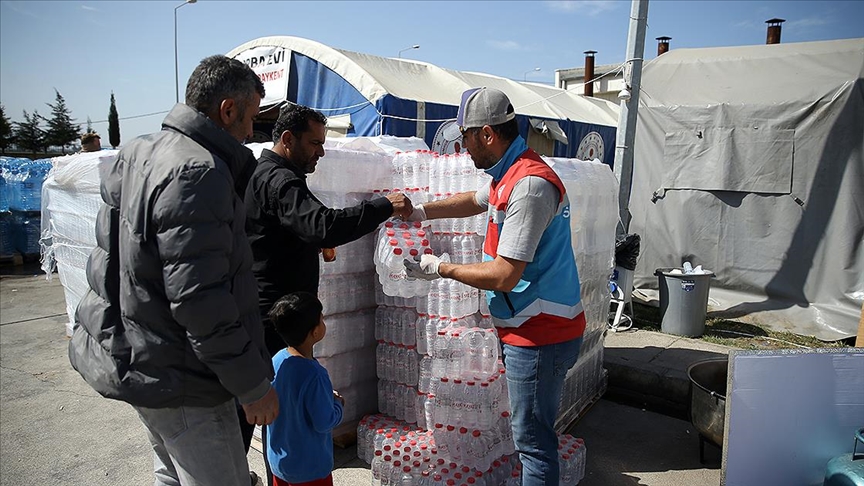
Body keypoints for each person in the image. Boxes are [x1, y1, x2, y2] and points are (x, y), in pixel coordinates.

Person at [69, 55, 278, 486]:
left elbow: (114, 261)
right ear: (227, 110)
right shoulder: (199, 171)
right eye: (251, 118)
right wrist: (252, 386)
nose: (250, 132)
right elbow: (201, 300)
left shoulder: (140, 151)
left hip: (145, 362)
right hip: (186, 379)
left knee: (170, 474)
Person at [404, 87, 585, 485]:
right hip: (525, 326)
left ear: (486, 134)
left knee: (533, 444)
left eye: (465, 136)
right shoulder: (509, 173)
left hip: (541, 334)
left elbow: (505, 274)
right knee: (531, 436)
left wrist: (441, 268)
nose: (462, 146)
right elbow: (474, 199)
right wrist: (420, 211)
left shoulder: (530, 185)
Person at [244, 103, 412, 485]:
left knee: (277, 406)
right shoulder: (280, 181)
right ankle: (296, 472)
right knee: (279, 406)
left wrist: (312, 243)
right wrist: (383, 206)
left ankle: (280, 472)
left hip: (273, 312)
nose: (321, 151)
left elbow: (302, 221)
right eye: (315, 143)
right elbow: (321, 224)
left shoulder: (271, 174)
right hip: (279, 316)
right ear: (287, 139)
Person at [265, 292, 344, 486]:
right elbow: (324, 421)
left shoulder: (276, 361)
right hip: (310, 470)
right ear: (314, 332)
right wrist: (337, 405)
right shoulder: (315, 375)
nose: (323, 322)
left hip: (280, 463)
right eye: (321, 319)